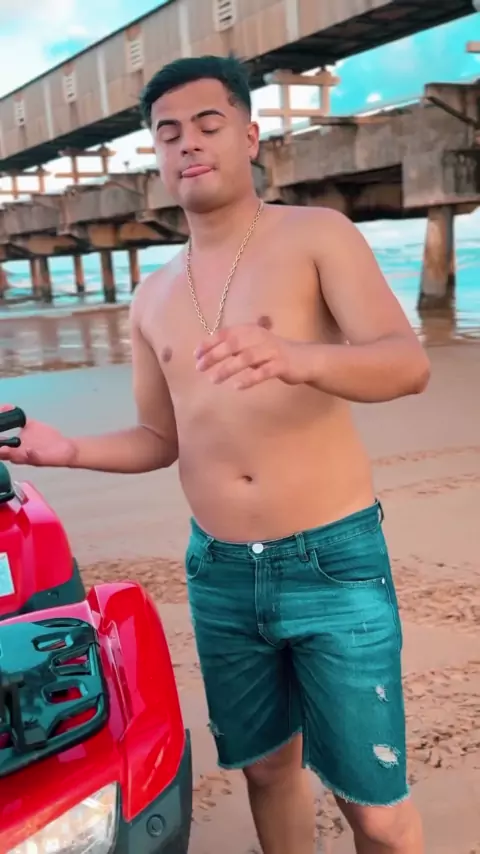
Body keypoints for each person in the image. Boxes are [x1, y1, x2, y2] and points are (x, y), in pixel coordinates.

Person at [1, 55, 430, 854]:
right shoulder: (153, 296)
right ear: (157, 157)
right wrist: (67, 449)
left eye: (208, 125)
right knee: (266, 770)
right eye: (168, 134)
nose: (188, 144)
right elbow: (159, 440)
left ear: (250, 136)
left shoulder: (315, 235)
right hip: (221, 571)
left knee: (373, 807)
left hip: (331, 561)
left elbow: (406, 364)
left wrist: (299, 357)